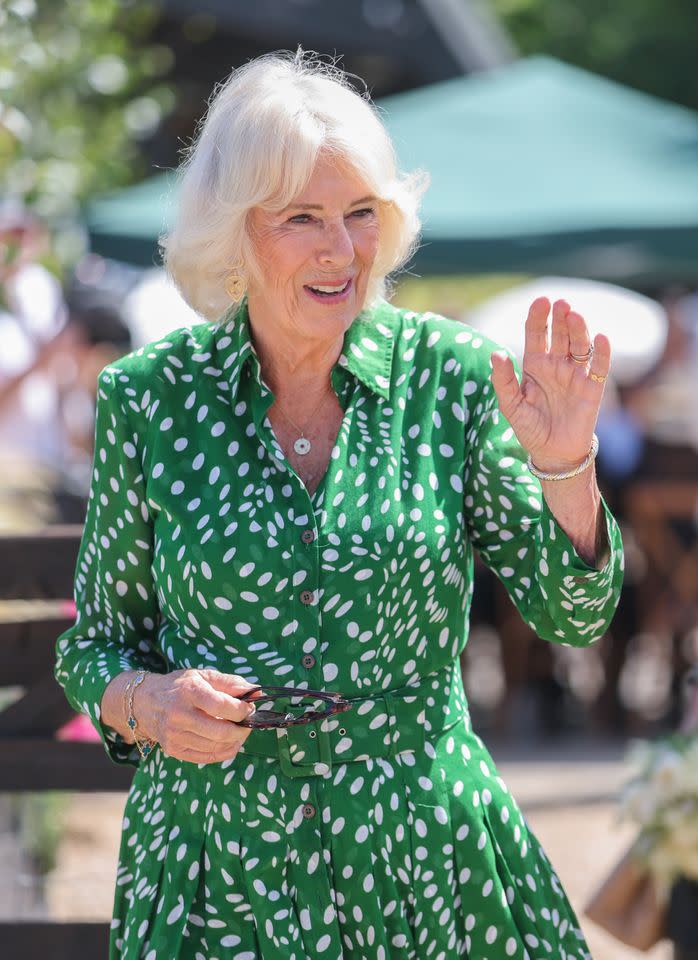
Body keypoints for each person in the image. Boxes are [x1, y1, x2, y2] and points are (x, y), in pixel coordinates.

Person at [55, 51, 623, 960]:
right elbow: (93, 645)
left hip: (424, 856)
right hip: (219, 863)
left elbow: (576, 613)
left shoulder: (450, 374)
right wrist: (149, 701)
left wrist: (564, 465)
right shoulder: (149, 398)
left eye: (363, 214)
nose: (341, 249)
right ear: (235, 231)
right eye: (303, 219)